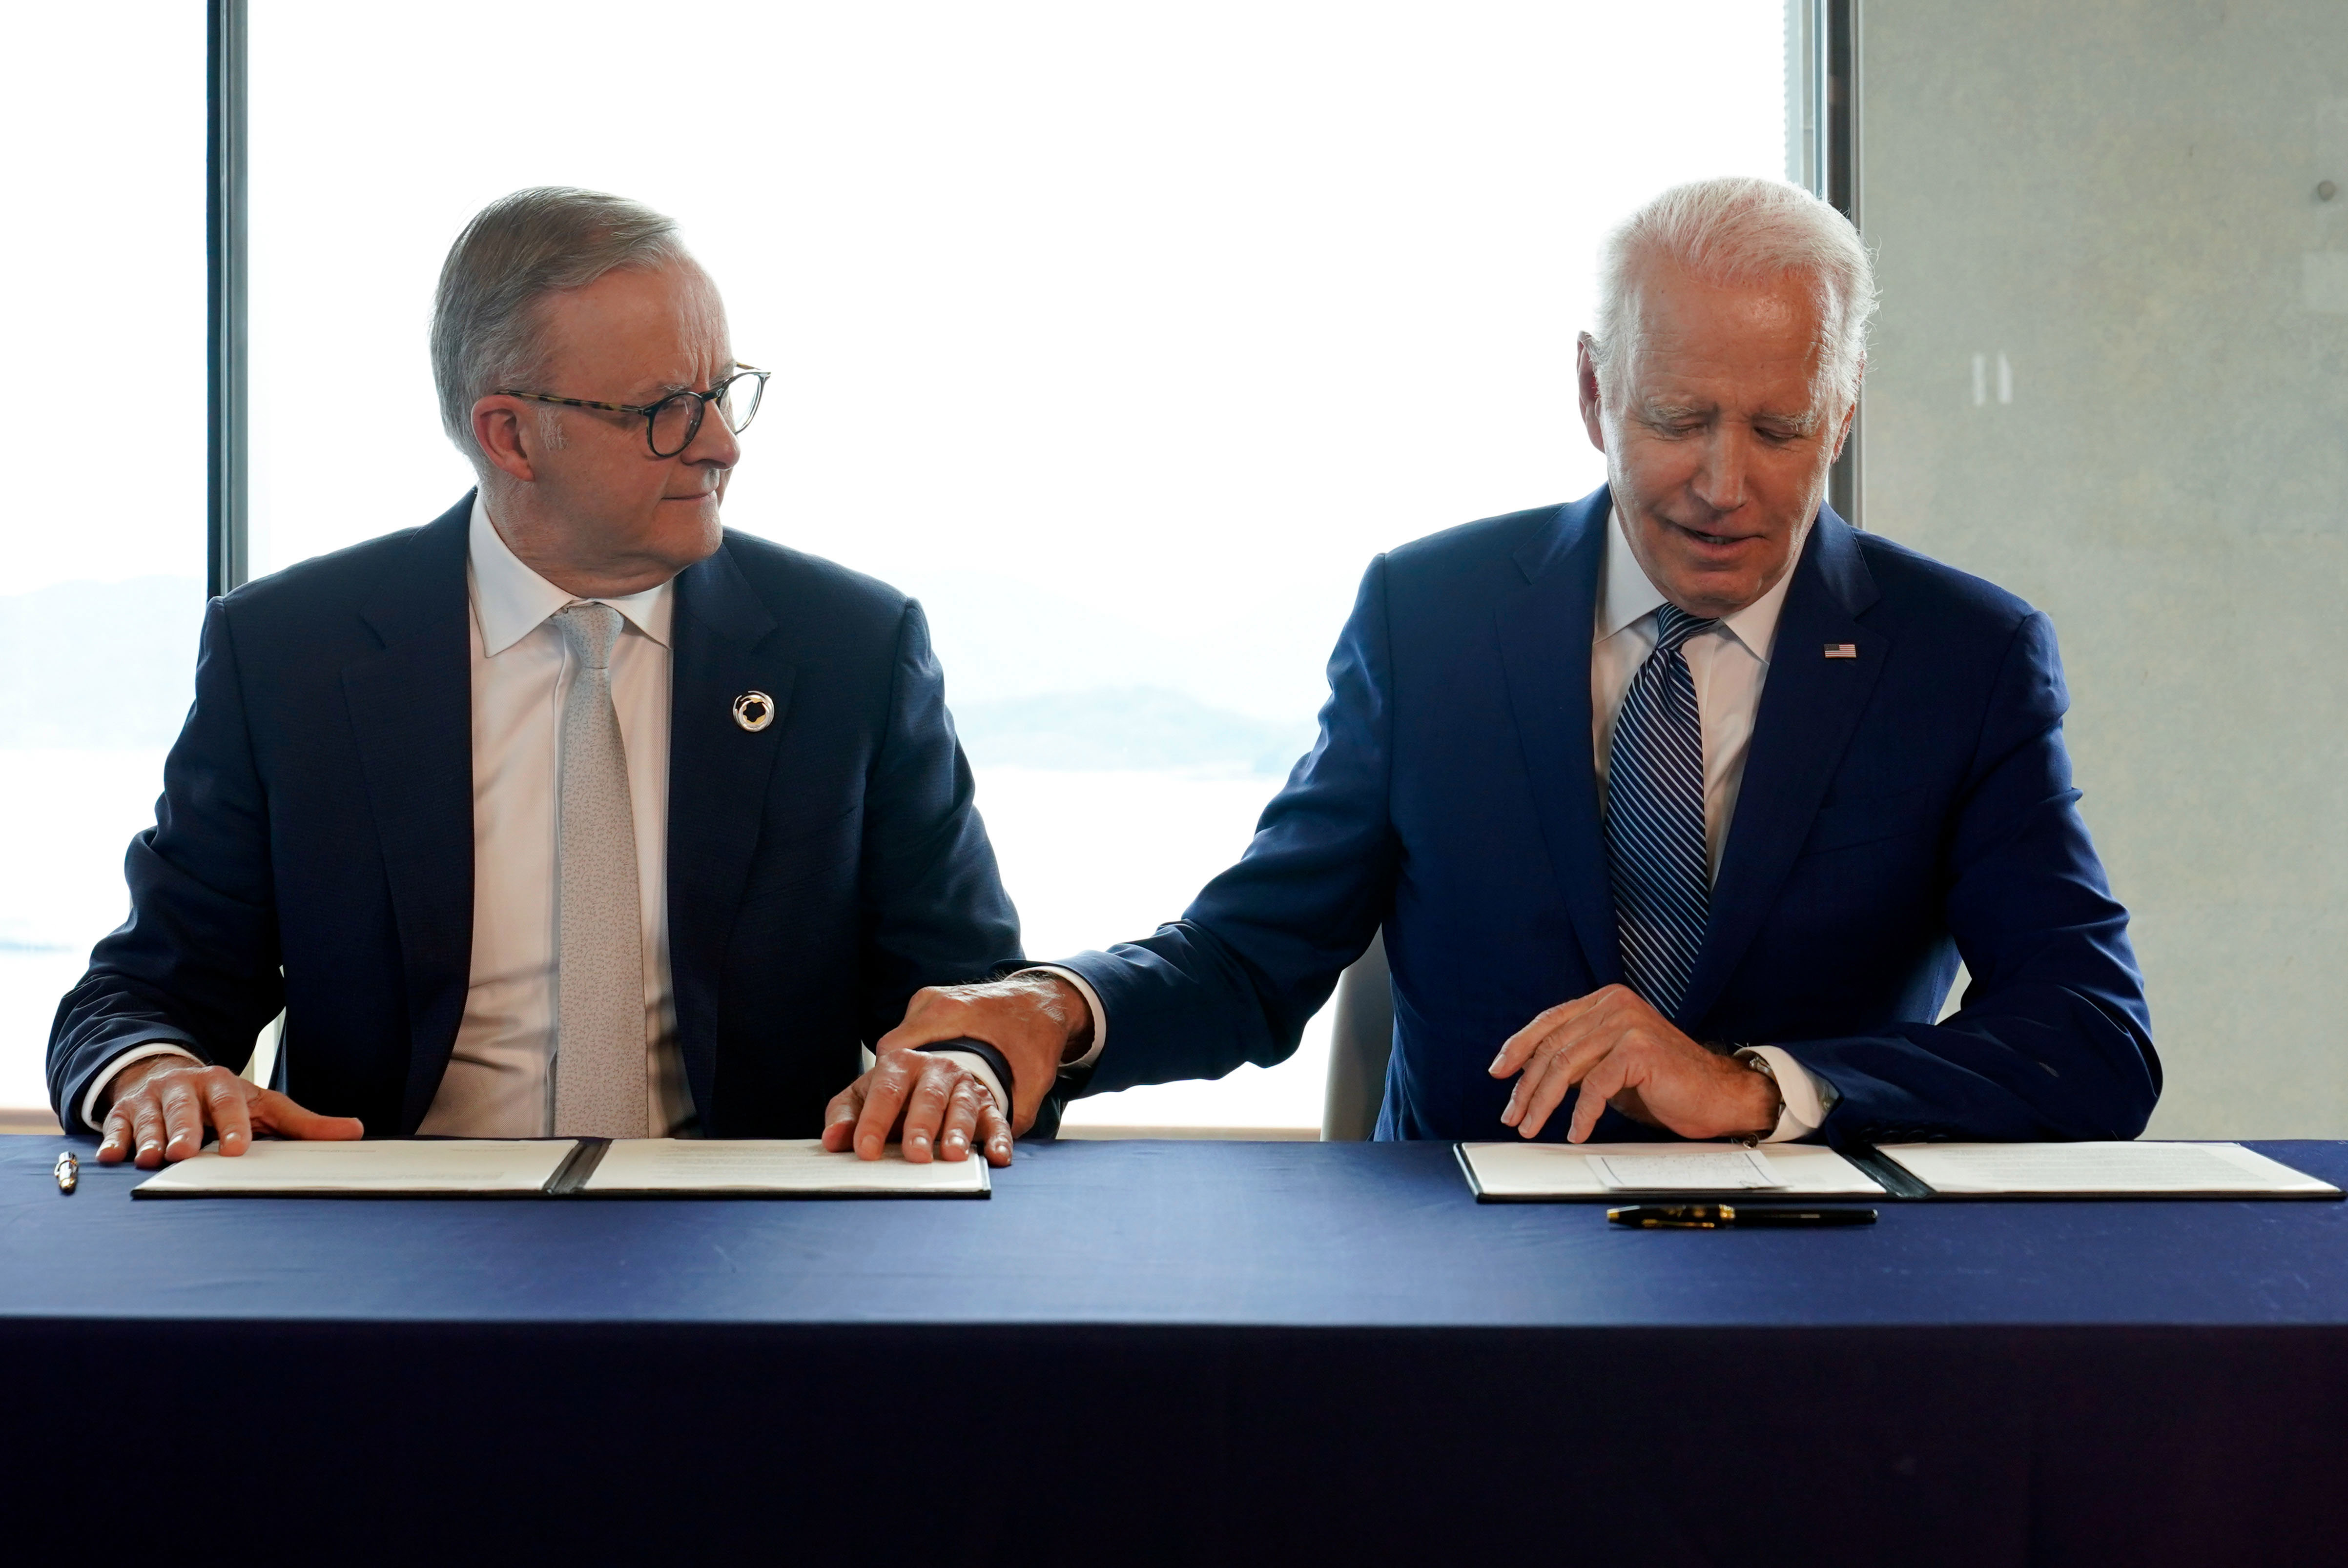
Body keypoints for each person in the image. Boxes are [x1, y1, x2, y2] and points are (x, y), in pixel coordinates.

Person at [826, 175, 2158, 1157]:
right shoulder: (1433, 612)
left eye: (1779, 426)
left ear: (1844, 409)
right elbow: (1253, 953)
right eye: (1676, 417)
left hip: (1818, 1275)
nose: (1722, 483)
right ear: (1593, 394)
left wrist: (1757, 1085)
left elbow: (2091, 1039)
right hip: (1459, 1274)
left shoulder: (1964, 656)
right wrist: (1057, 1004)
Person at [51, 187, 1022, 1168]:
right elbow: (147, 994)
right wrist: (155, 1071)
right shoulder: (293, 656)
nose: (724, 445)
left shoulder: (849, 649)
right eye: (666, 413)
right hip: (383, 1242)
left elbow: (973, 994)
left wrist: (961, 1061)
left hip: (756, 1231)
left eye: (723, 392)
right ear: (510, 435)